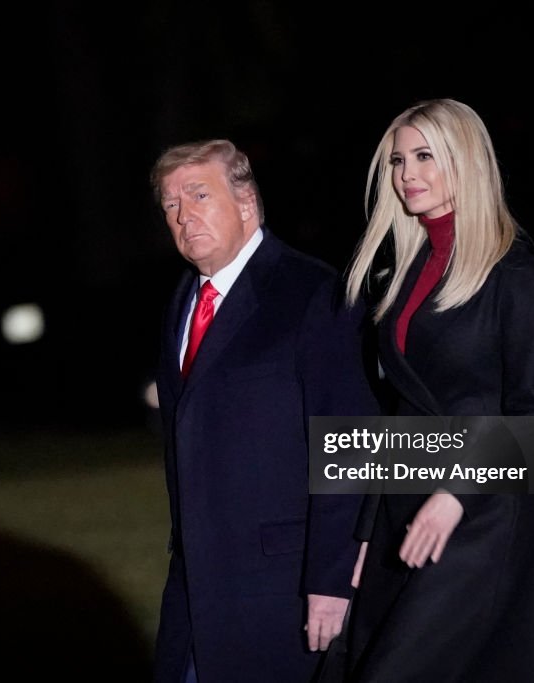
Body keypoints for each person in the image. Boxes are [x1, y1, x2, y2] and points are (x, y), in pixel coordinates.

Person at [342, 99, 534, 681]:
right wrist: (366, 531)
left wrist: (453, 496)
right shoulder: (403, 276)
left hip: (482, 516)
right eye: (398, 160)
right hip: (405, 509)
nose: (406, 174)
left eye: (424, 157)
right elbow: (397, 414)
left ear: (465, 162)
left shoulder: (519, 278)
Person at [150, 139, 380, 683]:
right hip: (194, 589)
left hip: (284, 588)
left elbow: (347, 440)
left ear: (247, 203)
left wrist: (331, 577)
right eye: (170, 204)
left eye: (199, 195)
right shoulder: (182, 301)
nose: (183, 216)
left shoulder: (312, 293)